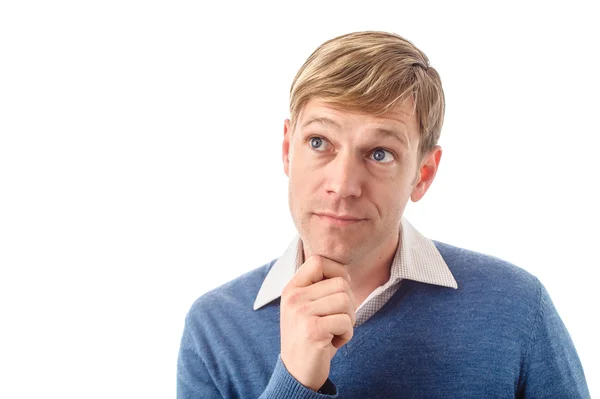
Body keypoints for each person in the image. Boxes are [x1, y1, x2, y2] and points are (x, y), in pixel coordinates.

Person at [176, 31, 590, 398]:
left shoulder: (517, 308)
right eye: (319, 142)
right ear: (287, 149)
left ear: (423, 174)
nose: (342, 184)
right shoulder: (215, 329)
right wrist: (295, 381)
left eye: (380, 153)